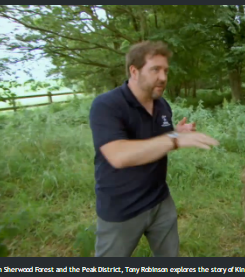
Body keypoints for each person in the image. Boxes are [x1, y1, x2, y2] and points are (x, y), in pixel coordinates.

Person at [88, 40, 219, 257]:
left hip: (160, 201)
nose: (163, 77)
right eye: (155, 69)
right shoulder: (107, 105)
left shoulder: (162, 105)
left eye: (166, 70)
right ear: (134, 71)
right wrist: (174, 140)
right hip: (122, 208)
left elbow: (156, 141)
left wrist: (176, 133)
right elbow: (118, 156)